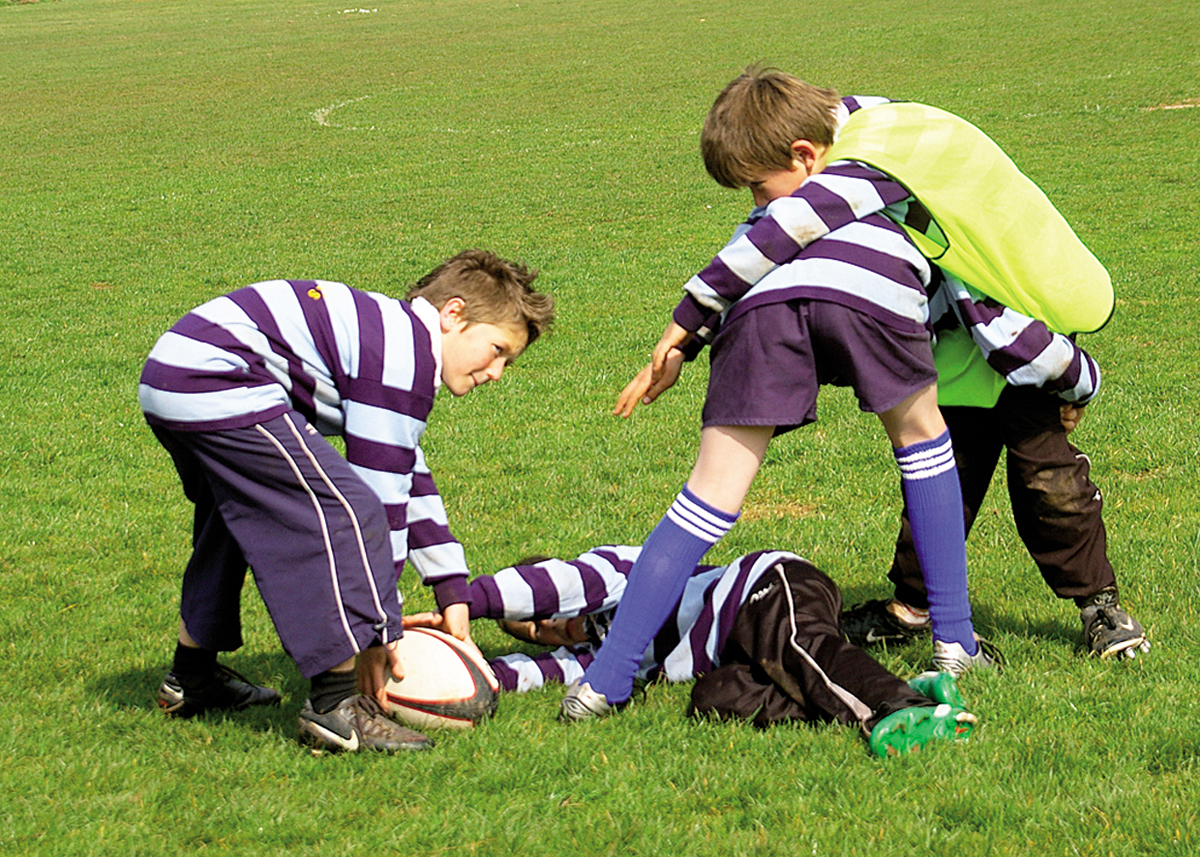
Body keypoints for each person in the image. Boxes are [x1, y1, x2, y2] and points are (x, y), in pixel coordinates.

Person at [562, 69, 999, 721]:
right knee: (923, 439)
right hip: (872, 289)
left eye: (756, 187)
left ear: (803, 153)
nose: (759, 201)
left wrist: (683, 329)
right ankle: (956, 642)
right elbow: (784, 223)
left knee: (707, 495)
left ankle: (603, 683)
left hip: (759, 310)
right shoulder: (877, 139)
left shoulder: (858, 157)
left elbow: (763, 237)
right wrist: (681, 336)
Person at [138, 249, 554, 752]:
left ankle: (192, 678)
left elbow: (405, 471)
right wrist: (382, 628)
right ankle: (336, 709)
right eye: (497, 350)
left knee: (232, 520)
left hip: (174, 377)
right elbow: (381, 501)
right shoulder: (404, 354)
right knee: (344, 516)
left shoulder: (395, 337)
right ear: (453, 315)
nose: (497, 372)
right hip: (216, 380)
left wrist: (452, 589)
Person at [407, 546, 976, 757]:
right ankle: (889, 688)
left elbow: (554, 584)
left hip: (766, 587)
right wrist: (439, 668)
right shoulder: (600, 660)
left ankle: (901, 709)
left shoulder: (616, 573)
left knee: (800, 646)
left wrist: (467, 603)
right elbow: (525, 675)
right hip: (734, 654)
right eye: (539, 632)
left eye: (545, 618)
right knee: (716, 697)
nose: (553, 628)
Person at [840, 272, 1149, 659]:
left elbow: (1044, 262)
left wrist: (1073, 378)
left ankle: (1101, 608)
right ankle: (912, 605)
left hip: (1030, 357)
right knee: (942, 484)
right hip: (957, 368)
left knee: (1050, 484)